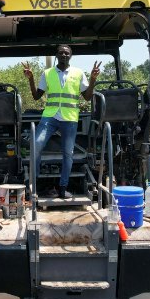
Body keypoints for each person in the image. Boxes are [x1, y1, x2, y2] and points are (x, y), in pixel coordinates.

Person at [22, 45, 101, 199]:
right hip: (50, 117)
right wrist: (31, 79)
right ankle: (34, 183)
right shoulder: (47, 73)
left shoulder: (78, 73)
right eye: (61, 53)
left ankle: (62, 188)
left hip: (70, 118)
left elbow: (87, 97)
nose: (64, 55)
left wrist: (92, 79)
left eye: (67, 53)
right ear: (56, 55)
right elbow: (36, 96)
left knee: (68, 154)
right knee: (36, 144)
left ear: (70, 56)